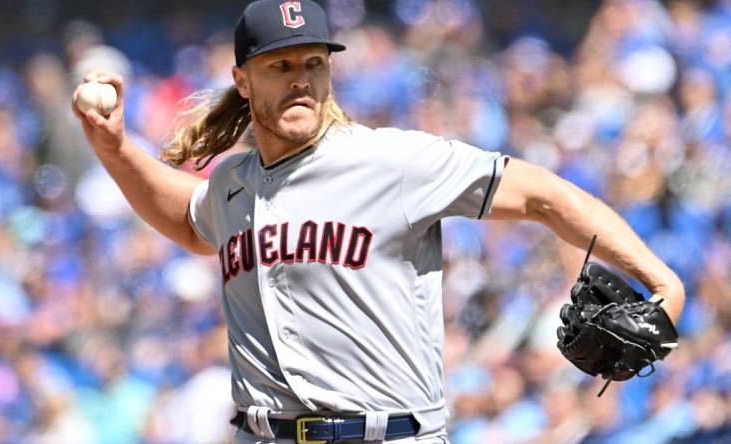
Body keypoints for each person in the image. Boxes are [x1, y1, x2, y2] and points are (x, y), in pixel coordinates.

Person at [71, 1, 685, 442]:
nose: (301, 80)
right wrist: (114, 147)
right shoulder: (234, 185)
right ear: (242, 79)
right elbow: (185, 215)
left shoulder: (390, 161)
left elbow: (542, 194)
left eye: (313, 63)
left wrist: (661, 278)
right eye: (280, 67)